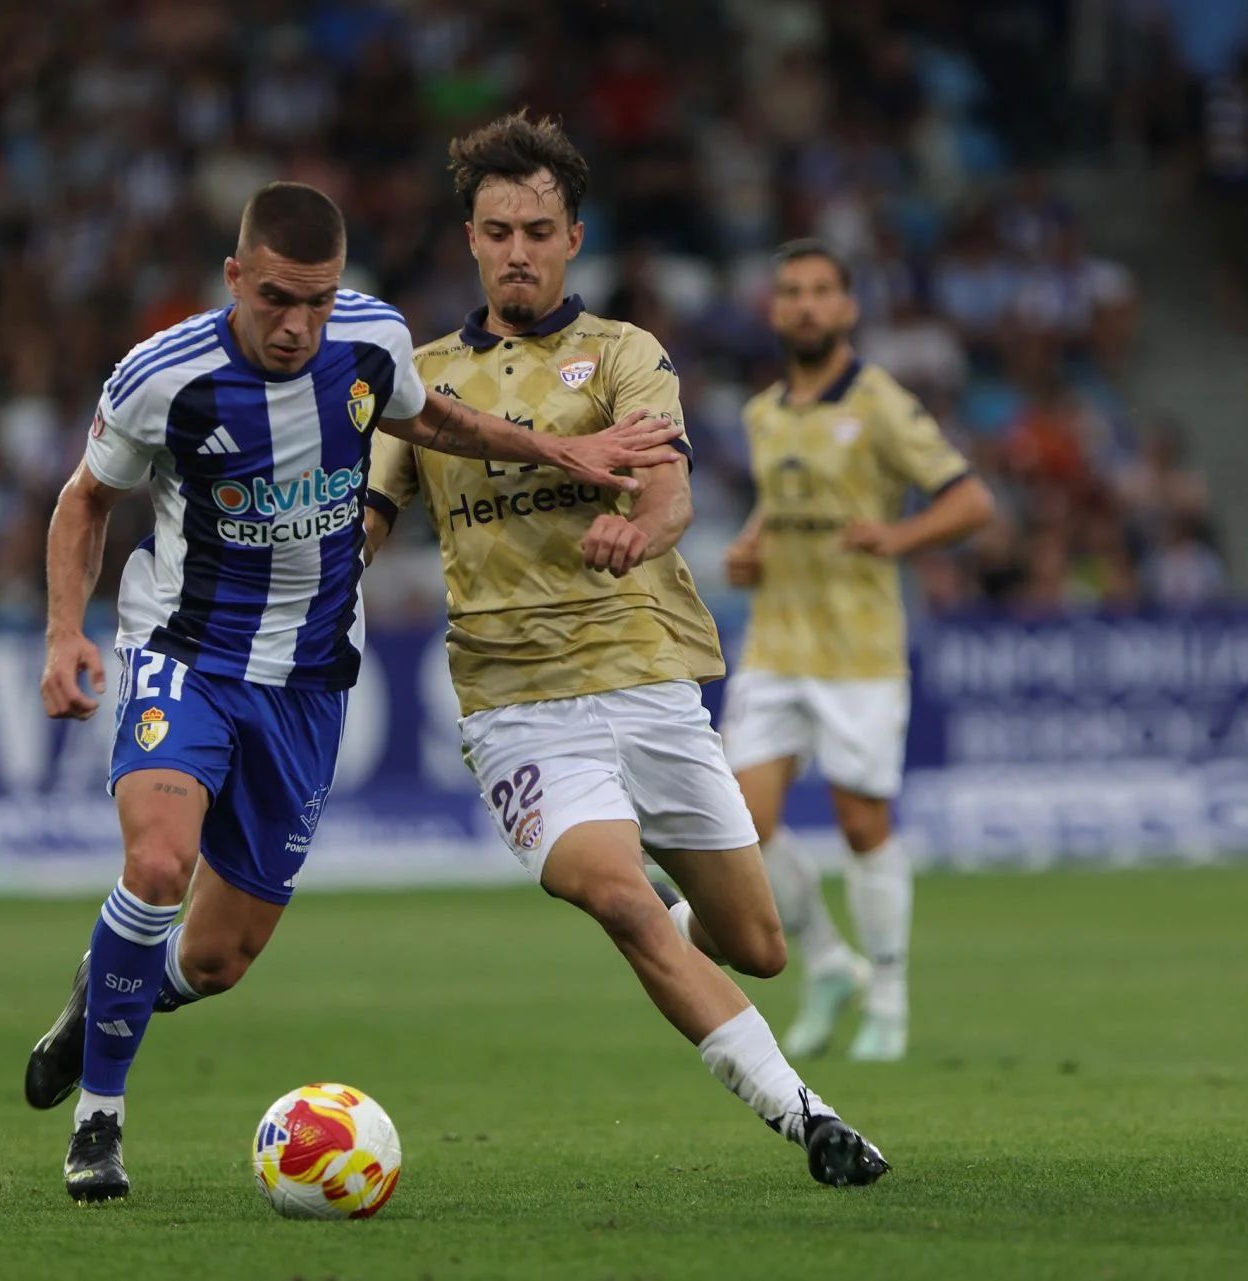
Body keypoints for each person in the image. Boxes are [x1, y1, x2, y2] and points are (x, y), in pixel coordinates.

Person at [23, 180, 686, 1202]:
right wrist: (66, 632)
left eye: (317, 300)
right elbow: (85, 501)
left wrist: (561, 450)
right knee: (157, 865)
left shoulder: (372, 340)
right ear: (234, 277)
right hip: (186, 652)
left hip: (310, 677)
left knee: (218, 958)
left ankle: (106, 986)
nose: (297, 325)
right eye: (276, 299)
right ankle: (98, 1121)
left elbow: (436, 422)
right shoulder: (162, 376)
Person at [361, 113, 888, 1187]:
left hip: (646, 678)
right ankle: (810, 1117)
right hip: (516, 705)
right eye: (498, 231)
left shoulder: (622, 354)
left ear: (573, 238)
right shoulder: (419, 381)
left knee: (758, 945)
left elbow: (669, 491)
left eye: (538, 231)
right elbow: (365, 527)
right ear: (470, 239)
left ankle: (676, 921)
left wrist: (638, 532)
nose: (518, 251)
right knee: (618, 897)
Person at [720, 240, 994, 1061]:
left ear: (847, 308)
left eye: (820, 292)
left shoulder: (880, 403)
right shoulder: (763, 412)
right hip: (775, 643)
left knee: (861, 823)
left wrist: (899, 537)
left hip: (860, 650)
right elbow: (786, 503)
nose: (804, 305)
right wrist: (750, 547)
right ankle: (830, 963)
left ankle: (890, 1000)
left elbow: (971, 500)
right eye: (791, 292)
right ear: (774, 309)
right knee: (738, 824)